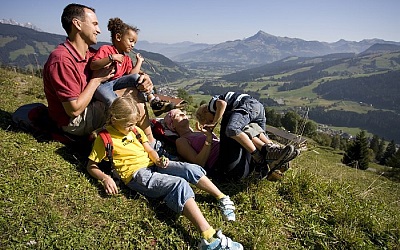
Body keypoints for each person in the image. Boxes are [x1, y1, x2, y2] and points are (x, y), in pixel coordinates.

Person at [87, 96, 243, 250]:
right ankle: (209, 237)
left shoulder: (135, 130)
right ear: (114, 119)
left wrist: (158, 160)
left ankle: (221, 197)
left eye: (134, 123)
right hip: (136, 174)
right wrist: (105, 177)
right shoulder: (104, 139)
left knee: (189, 168)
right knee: (178, 184)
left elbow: (149, 149)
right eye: (128, 124)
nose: (132, 127)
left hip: (152, 164)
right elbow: (91, 166)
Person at [42, 3, 157, 148]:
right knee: (131, 95)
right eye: (94, 24)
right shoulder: (62, 60)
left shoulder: (89, 54)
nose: (99, 30)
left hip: (89, 107)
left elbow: (124, 76)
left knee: (132, 90)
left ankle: (143, 140)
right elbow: (74, 110)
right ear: (77, 24)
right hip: (74, 122)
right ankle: (149, 143)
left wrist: (143, 77)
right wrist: (96, 80)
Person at [164, 108, 297, 181]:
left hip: (237, 159)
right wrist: (209, 139)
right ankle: (272, 153)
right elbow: (198, 164)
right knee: (232, 121)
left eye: (183, 113)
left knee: (245, 124)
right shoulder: (181, 141)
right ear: (172, 125)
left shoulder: (197, 131)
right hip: (225, 165)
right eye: (178, 115)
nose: (184, 115)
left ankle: (272, 156)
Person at [193, 92, 299, 180]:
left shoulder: (212, 104)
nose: (211, 122)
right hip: (258, 109)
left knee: (232, 129)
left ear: (205, 111)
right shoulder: (221, 109)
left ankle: (258, 158)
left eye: (209, 120)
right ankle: (276, 156)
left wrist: (214, 122)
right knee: (252, 132)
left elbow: (222, 104)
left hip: (248, 105)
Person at [90, 17, 174, 116]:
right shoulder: (106, 49)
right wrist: (111, 58)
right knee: (111, 99)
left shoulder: (126, 59)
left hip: (116, 83)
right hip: (102, 85)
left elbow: (131, 75)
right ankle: (120, 116)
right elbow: (93, 65)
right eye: (131, 41)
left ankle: (153, 101)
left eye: (134, 42)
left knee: (137, 78)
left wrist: (139, 62)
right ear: (118, 37)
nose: (133, 45)